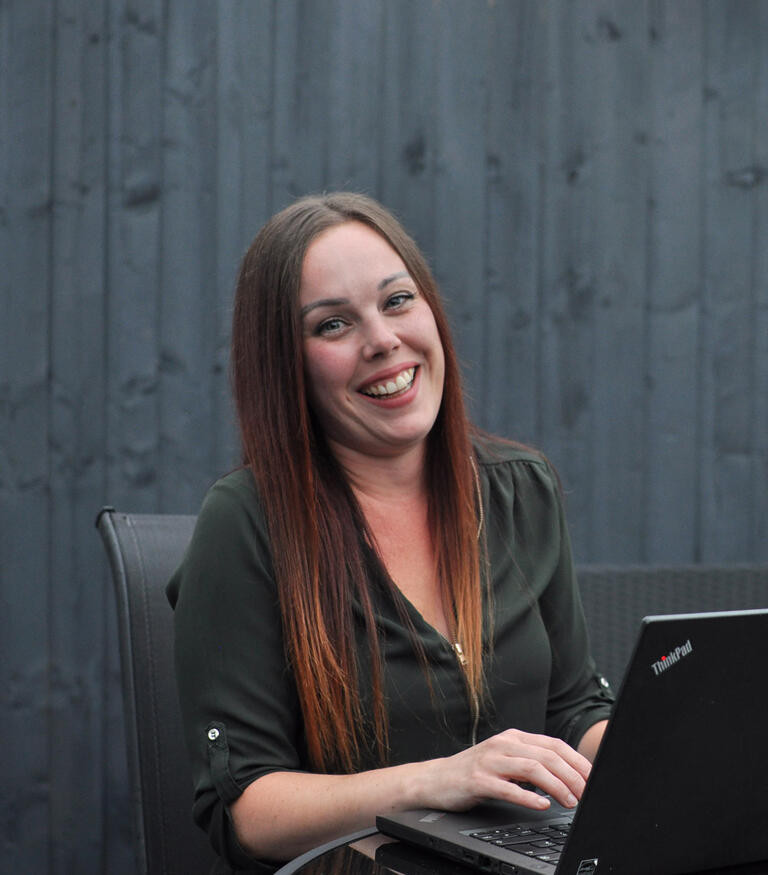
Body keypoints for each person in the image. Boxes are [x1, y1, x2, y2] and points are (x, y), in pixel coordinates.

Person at [167, 192, 613, 874]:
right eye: (333, 324)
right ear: (286, 365)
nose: (382, 340)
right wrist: (434, 780)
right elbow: (247, 810)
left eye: (397, 300)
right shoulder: (246, 523)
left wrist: (663, 760)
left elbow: (573, 704)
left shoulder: (522, 489)